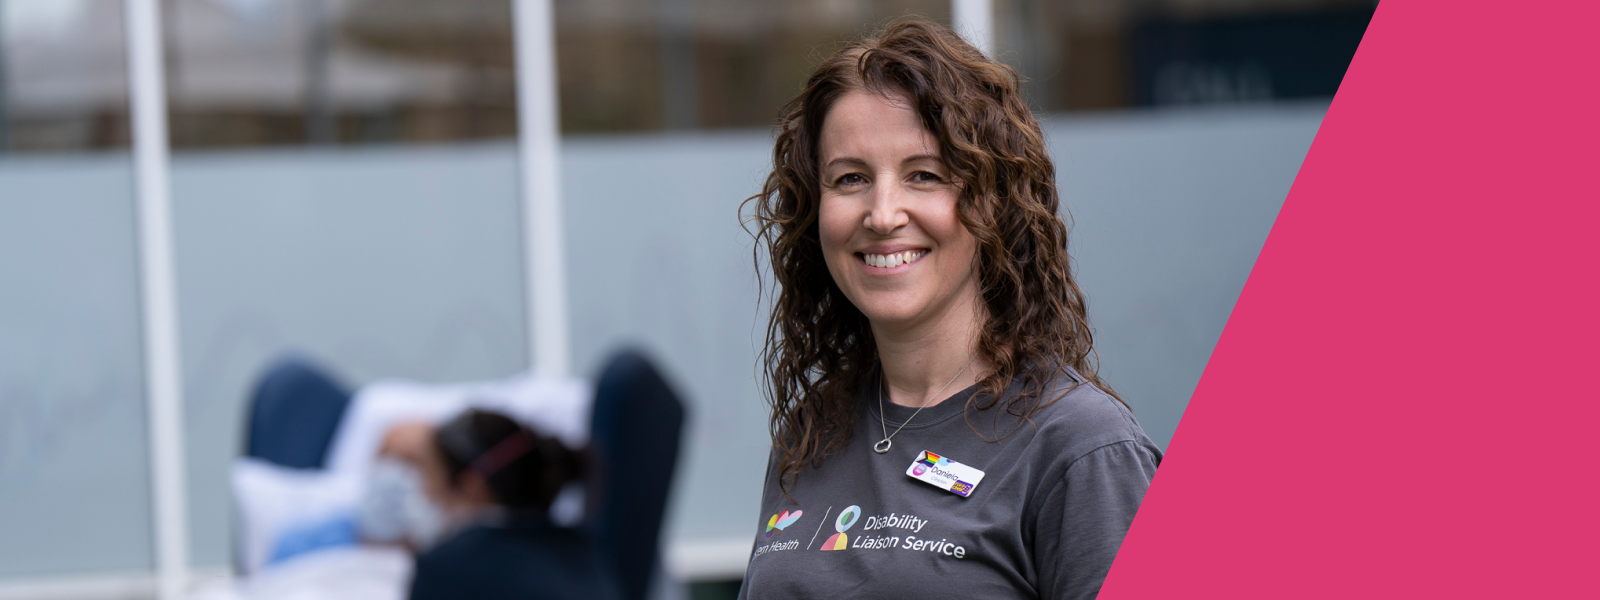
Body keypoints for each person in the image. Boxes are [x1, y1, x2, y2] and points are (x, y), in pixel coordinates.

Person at [737, 18, 1161, 600]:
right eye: (851, 178)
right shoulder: (814, 430)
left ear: (994, 202)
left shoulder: (1081, 448)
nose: (882, 215)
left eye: (924, 176)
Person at [405, 408, 621, 600]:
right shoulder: (582, 550)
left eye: (430, 479)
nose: (426, 495)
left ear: (473, 486)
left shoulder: (445, 568)